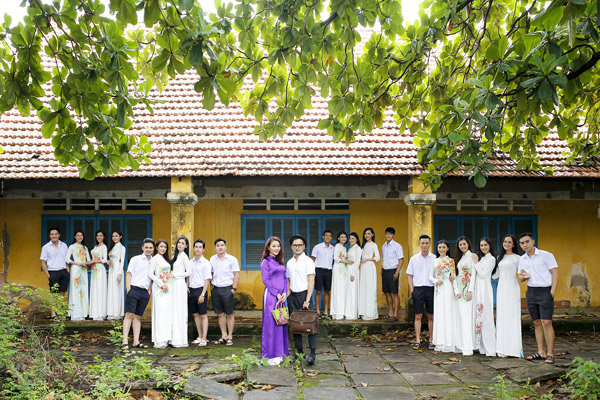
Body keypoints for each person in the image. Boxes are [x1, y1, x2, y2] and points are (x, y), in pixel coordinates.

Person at [518, 233, 559, 365]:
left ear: (533, 241)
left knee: (546, 322)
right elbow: (520, 278)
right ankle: (541, 352)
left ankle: (550, 353)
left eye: (527, 241)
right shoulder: (522, 259)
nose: (525, 245)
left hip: (545, 291)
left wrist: (552, 291)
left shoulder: (546, 255)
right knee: (536, 322)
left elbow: (555, 272)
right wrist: (524, 276)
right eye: (522, 243)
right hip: (531, 292)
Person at [287, 235, 317, 364]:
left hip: (305, 295)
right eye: (295, 245)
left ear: (304, 246)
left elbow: (311, 280)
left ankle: (312, 354)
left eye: (300, 245)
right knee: (295, 326)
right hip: (292, 296)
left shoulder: (308, 261)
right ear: (291, 247)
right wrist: (286, 295)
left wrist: (308, 300)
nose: (297, 247)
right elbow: (289, 281)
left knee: (311, 325)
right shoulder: (289, 262)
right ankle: (299, 354)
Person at [260, 236, 289, 365]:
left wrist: (284, 293)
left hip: (281, 297)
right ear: (268, 247)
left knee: (281, 323)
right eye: (274, 246)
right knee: (270, 325)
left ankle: (279, 354)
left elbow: (284, 279)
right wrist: (277, 294)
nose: (277, 248)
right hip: (271, 296)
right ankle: (269, 356)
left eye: (278, 246)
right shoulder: (265, 262)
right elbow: (265, 280)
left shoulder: (280, 262)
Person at [122, 238, 154, 353]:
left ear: (153, 249)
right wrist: (128, 289)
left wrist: (149, 290)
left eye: (150, 248)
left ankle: (136, 341)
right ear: (142, 247)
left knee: (138, 317)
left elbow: (153, 277)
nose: (148, 250)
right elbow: (129, 274)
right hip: (134, 289)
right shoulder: (135, 259)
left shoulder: (154, 261)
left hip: (145, 292)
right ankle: (124, 342)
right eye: (146, 247)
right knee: (129, 314)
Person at [407, 234, 436, 350]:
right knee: (418, 315)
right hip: (418, 289)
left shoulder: (434, 258)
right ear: (419, 244)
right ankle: (418, 340)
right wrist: (412, 290)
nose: (424, 245)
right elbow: (410, 275)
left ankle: (431, 340)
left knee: (431, 316)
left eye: (426, 243)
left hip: (431, 288)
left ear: (429, 244)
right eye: (422, 243)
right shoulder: (414, 259)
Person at [496, 234, 522, 358]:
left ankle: (514, 349)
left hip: (512, 286)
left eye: (509, 242)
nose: (506, 244)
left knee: (512, 315)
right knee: (502, 315)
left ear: (513, 244)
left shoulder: (518, 258)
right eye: (505, 241)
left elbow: (521, 274)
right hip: (501, 287)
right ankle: (502, 348)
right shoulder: (499, 258)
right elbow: (495, 275)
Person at [210, 238, 240, 346]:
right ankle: (223, 335)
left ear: (225, 247)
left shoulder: (232, 259)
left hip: (227, 289)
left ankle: (230, 336)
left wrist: (234, 288)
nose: (220, 247)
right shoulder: (212, 259)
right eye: (218, 245)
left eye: (222, 245)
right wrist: (212, 287)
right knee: (220, 314)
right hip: (216, 289)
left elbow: (236, 274)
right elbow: (210, 274)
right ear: (215, 248)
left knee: (229, 314)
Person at [429, 239, 457, 352]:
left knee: (448, 312)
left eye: (443, 247)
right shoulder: (434, 261)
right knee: (439, 314)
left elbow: (453, 277)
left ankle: (449, 343)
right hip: (438, 289)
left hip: (448, 288)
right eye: (439, 247)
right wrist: (436, 281)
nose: (441, 249)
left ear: (447, 248)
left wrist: (456, 291)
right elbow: (430, 276)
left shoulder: (451, 261)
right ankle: (439, 342)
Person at [453, 236, 478, 356]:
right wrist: (456, 289)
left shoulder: (472, 256)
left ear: (468, 244)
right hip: (460, 290)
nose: (462, 246)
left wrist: (470, 290)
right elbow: (458, 275)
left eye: (464, 244)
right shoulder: (461, 257)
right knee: (461, 318)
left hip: (468, 289)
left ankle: (468, 347)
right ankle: (462, 344)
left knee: (467, 318)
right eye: (460, 245)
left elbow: (473, 274)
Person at [473, 237, 497, 357]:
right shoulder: (483, 259)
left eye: (485, 245)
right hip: (478, 290)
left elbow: (483, 274)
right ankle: (482, 347)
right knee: (480, 318)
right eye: (481, 245)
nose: (483, 247)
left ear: (490, 246)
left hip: (485, 291)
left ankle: (491, 348)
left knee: (487, 318)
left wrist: (476, 262)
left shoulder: (492, 259)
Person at [40, 227, 69, 318]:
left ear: (59, 235)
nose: (54, 236)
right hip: (53, 272)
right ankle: (53, 313)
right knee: (53, 293)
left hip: (64, 271)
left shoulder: (64, 245)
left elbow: (67, 260)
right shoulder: (46, 247)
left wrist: (68, 271)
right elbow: (42, 262)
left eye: (56, 234)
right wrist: (48, 275)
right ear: (49, 235)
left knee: (62, 293)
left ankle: (59, 312)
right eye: (52, 234)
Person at [149, 239, 173, 348]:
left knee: (166, 313)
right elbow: (151, 274)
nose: (163, 249)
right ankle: (159, 341)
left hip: (167, 288)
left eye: (165, 247)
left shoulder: (164, 259)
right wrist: (161, 283)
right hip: (159, 288)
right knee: (159, 312)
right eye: (161, 246)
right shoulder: (155, 259)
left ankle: (166, 338)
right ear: (157, 247)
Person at [188, 239, 212, 347]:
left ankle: (204, 338)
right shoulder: (190, 262)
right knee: (195, 314)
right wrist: (187, 287)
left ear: (203, 249)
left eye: (200, 247)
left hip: (200, 290)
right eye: (196, 247)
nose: (198, 249)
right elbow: (188, 276)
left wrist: (202, 294)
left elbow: (207, 279)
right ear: (193, 248)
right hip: (191, 290)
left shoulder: (206, 263)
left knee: (203, 315)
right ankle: (199, 335)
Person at [170, 236, 192, 348]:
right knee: (173, 310)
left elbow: (189, 272)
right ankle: (172, 337)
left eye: (183, 243)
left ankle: (179, 339)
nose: (180, 245)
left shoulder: (184, 257)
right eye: (179, 243)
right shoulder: (175, 256)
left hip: (179, 284)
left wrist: (176, 275)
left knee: (179, 310)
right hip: (173, 284)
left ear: (186, 246)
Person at [65, 230, 90, 321]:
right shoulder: (72, 247)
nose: (80, 237)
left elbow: (89, 259)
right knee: (75, 290)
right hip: (75, 269)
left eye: (81, 235)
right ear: (75, 237)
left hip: (83, 271)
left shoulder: (85, 247)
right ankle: (75, 314)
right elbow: (67, 259)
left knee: (83, 291)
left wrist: (86, 263)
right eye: (78, 235)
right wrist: (78, 263)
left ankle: (83, 314)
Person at [381, 227, 404, 321]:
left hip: (393, 271)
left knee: (394, 293)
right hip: (385, 271)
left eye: (390, 234)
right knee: (387, 293)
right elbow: (384, 259)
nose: (388, 235)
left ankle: (395, 314)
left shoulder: (397, 246)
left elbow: (401, 259)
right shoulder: (383, 246)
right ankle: (390, 313)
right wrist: (381, 269)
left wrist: (397, 271)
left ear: (393, 235)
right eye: (387, 233)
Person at [311, 230, 334, 317]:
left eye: (329, 236)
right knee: (318, 291)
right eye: (326, 235)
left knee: (327, 291)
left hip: (328, 271)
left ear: (331, 238)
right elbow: (312, 260)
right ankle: (317, 310)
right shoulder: (317, 247)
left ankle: (325, 311)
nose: (328, 237)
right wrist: (313, 272)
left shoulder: (333, 249)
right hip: (319, 270)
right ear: (323, 237)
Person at [358, 227, 380, 320]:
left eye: (369, 233)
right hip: (363, 268)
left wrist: (367, 259)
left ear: (372, 234)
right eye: (365, 233)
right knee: (363, 288)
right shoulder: (363, 245)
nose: (367, 235)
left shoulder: (373, 245)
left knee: (370, 288)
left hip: (370, 267)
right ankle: (363, 311)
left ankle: (370, 312)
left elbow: (377, 257)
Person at [330, 231, 351, 320]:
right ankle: (338, 312)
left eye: (345, 237)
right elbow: (336, 258)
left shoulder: (344, 247)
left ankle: (341, 311)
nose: (344, 239)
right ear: (338, 238)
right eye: (342, 237)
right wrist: (346, 261)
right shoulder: (338, 246)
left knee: (342, 290)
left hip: (343, 269)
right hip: (338, 269)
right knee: (338, 289)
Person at [89, 230, 108, 321]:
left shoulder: (104, 247)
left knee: (100, 290)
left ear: (103, 237)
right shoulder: (95, 246)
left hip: (100, 269)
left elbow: (105, 260)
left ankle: (100, 313)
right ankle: (94, 313)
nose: (99, 237)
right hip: (94, 269)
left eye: (101, 235)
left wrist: (93, 261)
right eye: (97, 235)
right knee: (94, 289)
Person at [107, 231, 126, 320]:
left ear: (120, 237)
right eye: (113, 236)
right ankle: (111, 312)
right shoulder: (113, 247)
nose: (114, 238)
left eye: (116, 236)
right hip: (111, 270)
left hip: (117, 270)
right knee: (111, 291)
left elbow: (122, 261)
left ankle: (117, 313)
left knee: (117, 291)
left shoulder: (122, 248)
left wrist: (120, 273)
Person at [344, 232, 362, 320]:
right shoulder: (350, 249)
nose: (351, 240)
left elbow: (357, 261)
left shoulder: (358, 249)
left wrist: (353, 273)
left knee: (353, 291)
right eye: (350, 238)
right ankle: (348, 311)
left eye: (353, 238)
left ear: (356, 240)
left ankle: (353, 313)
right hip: (348, 271)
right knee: (349, 291)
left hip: (353, 272)